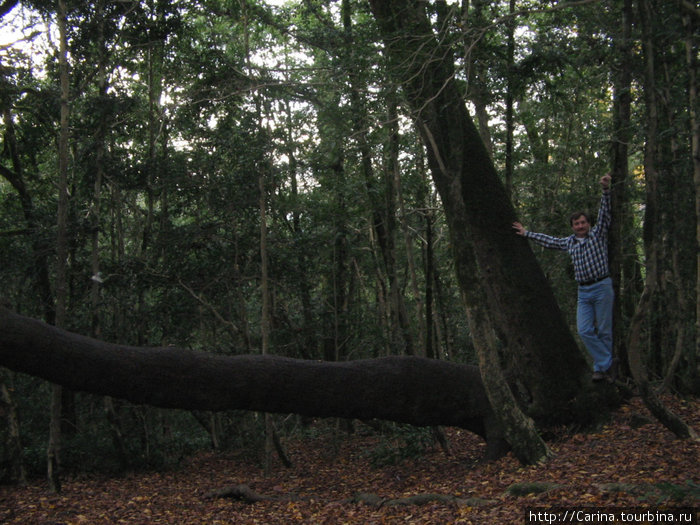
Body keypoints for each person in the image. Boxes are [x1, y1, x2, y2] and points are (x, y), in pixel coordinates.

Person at [512, 174, 615, 382]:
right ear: (572, 226)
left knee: (604, 330)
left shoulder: (597, 235)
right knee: (584, 330)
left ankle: (602, 369)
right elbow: (549, 241)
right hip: (584, 291)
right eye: (576, 223)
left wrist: (605, 190)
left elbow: (604, 215)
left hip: (602, 285)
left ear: (588, 223)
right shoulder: (569, 243)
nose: (580, 226)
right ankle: (607, 362)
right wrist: (526, 233)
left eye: (583, 222)